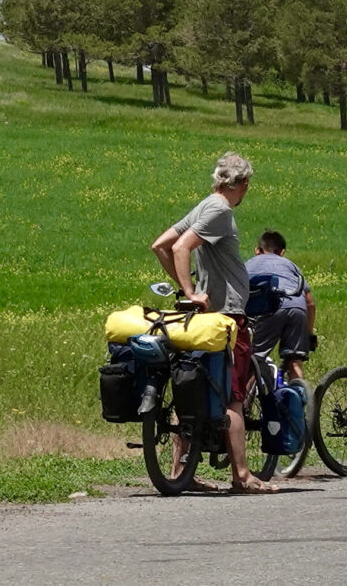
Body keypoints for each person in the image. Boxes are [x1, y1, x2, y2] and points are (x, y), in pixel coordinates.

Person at [150, 152, 274, 494]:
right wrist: (191, 291)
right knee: (233, 395)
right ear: (244, 184)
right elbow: (180, 248)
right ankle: (243, 476)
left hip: (202, 318)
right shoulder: (220, 210)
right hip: (226, 316)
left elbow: (160, 245)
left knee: (189, 389)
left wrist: (186, 290)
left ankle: (180, 471)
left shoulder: (205, 205)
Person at [246, 230, 314, 383]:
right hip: (298, 309)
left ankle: (244, 404)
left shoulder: (249, 264)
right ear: (282, 252)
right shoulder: (291, 266)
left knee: (255, 360)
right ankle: (298, 399)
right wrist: (309, 334)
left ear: (257, 250)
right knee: (295, 361)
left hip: (271, 309)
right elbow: (310, 302)